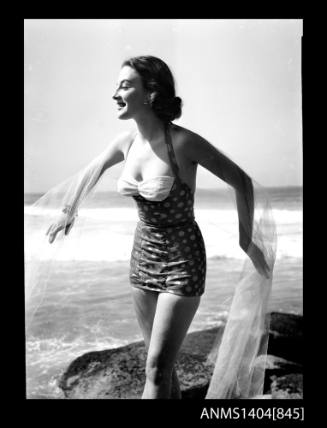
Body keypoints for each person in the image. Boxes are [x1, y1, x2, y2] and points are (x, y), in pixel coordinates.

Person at [37, 56, 275, 399]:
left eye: (125, 85)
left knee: (156, 369)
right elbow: (90, 172)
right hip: (142, 258)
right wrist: (66, 211)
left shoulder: (182, 143)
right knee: (163, 369)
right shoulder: (126, 143)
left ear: (150, 93)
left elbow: (241, 181)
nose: (115, 93)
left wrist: (245, 239)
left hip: (183, 261)